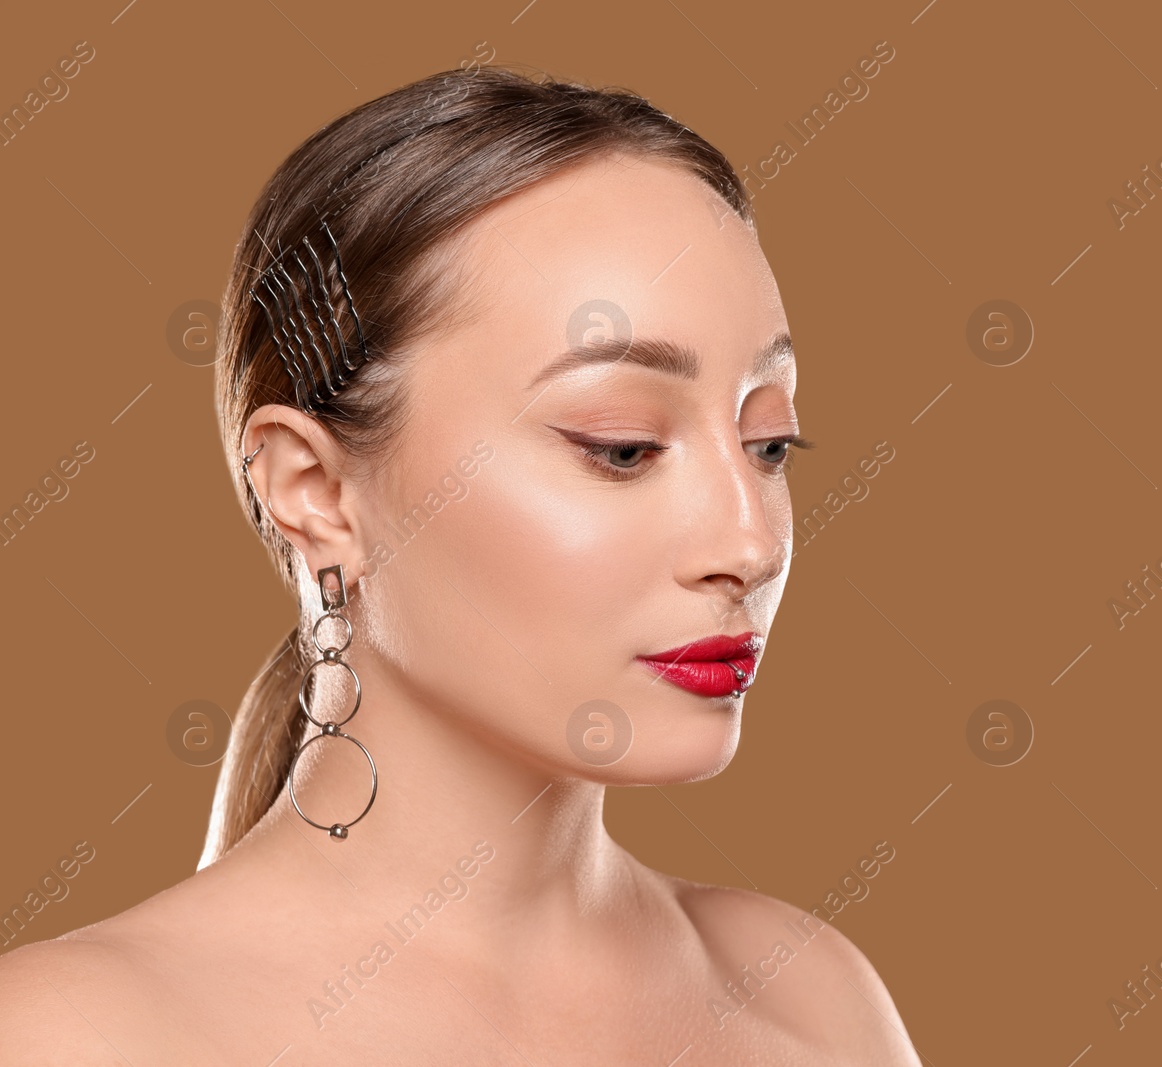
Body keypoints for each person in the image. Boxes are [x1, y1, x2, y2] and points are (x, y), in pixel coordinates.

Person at [0, 66, 918, 1064]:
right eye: (621, 445)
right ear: (314, 489)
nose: (749, 541)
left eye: (769, 441)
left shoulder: (811, 1000)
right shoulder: (74, 1033)